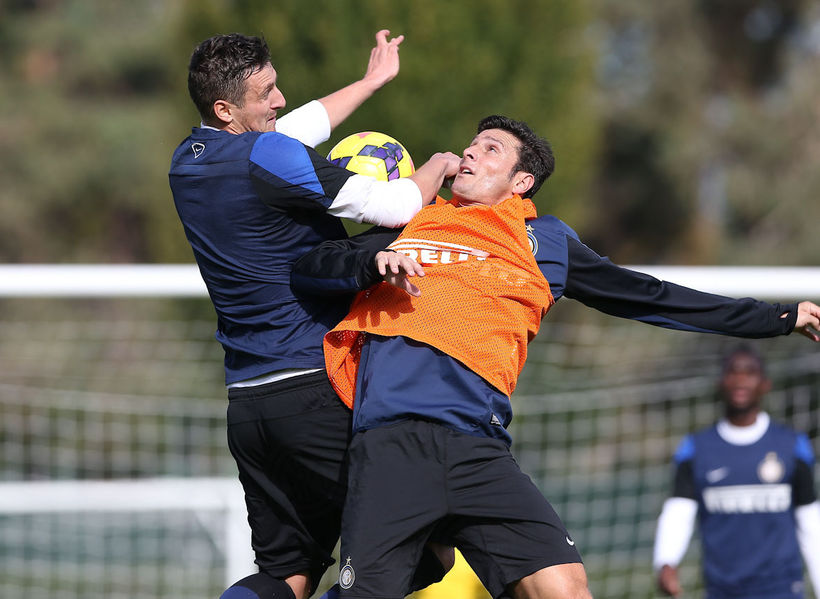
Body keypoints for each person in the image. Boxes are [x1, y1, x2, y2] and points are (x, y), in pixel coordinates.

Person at [291, 115, 820, 599]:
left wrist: (776, 317)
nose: (469, 153)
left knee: (565, 589)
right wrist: (372, 263)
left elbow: (652, 296)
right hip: (392, 445)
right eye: (471, 144)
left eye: (491, 149)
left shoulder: (545, 243)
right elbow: (311, 267)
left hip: (478, 449)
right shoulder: (415, 221)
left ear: (521, 182)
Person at [168, 30, 460, 599]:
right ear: (225, 109)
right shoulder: (269, 156)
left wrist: (371, 82)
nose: (280, 100)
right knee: (425, 545)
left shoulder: (187, 160)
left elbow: (293, 130)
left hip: (249, 405)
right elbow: (396, 204)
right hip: (315, 388)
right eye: (266, 94)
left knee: (287, 577)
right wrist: (434, 167)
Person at [653, 346, 820, 599]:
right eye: (733, 372)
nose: (741, 379)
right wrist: (666, 561)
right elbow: (679, 511)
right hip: (722, 590)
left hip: (782, 589)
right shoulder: (696, 448)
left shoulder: (792, 445)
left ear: (765, 384)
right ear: (721, 382)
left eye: (750, 372)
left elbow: (810, 520)